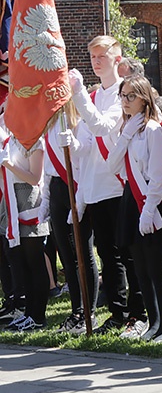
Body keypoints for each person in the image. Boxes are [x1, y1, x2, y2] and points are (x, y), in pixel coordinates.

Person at [69, 35, 146, 337]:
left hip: (119, 184)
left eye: (101, 55)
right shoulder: (94, 94)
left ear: (117, 59)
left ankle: (138, 315)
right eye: (92, 56)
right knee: (108, 256)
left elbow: (102, 126)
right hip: (97, 186)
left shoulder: (121, 94)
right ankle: (117, 312)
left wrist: (78, 96)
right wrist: (72, 143)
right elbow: (88, 146)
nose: (96, 61)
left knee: (128, 254)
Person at [106, 75, 162, 342]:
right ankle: (153, 323)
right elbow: (112, 166)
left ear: (144, 98)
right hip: (130, 202)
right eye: (122, 96)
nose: (125, 101)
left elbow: (161, 177)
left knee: (157, 268)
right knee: (140, 269)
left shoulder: (154, 131)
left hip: (151, 203)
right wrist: (124, 136)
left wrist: (148, 211)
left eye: (130, 96)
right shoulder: (127, 130)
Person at [42, 99, 98, 335]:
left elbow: (86, 153)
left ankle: (89, 311)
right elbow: (47, 163)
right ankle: (76, 309)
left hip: (76, 187)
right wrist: (45, 198)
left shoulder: (81, 123)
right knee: (66, 254)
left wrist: (73, 144)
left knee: (83, 251)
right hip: (57, 187)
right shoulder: (50, 124)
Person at [0, 128, 50, 332]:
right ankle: (28, 313)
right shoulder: (10, 138)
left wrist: (7, 164)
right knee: (22, 264)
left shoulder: (35, 139)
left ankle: (38, 316)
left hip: (29, 199)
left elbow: (34, 177)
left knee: (35, 262)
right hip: (11, 199)